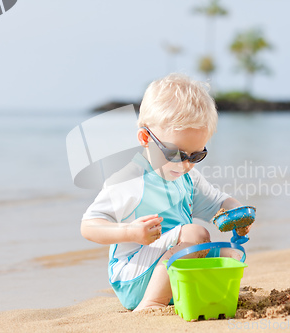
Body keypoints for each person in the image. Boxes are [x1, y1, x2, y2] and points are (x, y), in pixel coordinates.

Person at [81, 73, 251, 312]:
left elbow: (218, 202)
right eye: (175, 153)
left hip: (169, 265)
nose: (185, 163)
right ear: (145, 138)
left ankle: (181, 293)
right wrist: (130, 231)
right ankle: (152, 303)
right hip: (133, 276)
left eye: (196, 155)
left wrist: (237, 214)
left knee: (229, 253)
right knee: (196, 233)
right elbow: (89, 226)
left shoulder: (187, 176)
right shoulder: (130, 180)